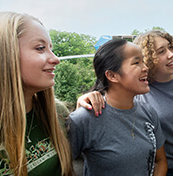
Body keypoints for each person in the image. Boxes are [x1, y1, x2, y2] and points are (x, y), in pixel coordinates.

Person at [78, 30, 173, 175]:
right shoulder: (139, 92)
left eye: (170, 48)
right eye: (161, 51)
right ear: (148, 58)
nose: (171, 54)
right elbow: (113, 98)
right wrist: (84, 101)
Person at [0, 12, 73, 175]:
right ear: (2, 55)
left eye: (50, 48)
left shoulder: (58, 113)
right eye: (40, 48)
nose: (56, 59)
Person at [67, 38, 167, 175]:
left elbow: (160, 161)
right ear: (112, 75)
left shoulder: (148, 112)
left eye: (143, 61)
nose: (145, 67)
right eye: (136, 62)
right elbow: (63, 166)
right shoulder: (84, 118)